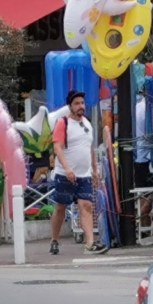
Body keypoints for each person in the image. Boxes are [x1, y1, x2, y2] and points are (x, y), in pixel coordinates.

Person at [47, 87, 101, 254]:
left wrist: (95, 169)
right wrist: (68, 168)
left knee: (86, 207)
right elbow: (57, 148)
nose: (81, 106)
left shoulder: (87, 123)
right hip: (65, 174)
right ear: (70, 106)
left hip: (84, 175)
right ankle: (54, 239)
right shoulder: (63, 123)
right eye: (77, 103)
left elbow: (90, 148)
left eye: (82, 103)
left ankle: (90, 243)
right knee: (60, 208)